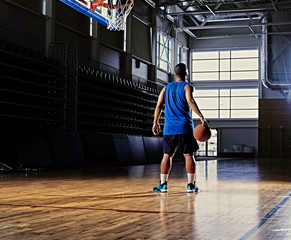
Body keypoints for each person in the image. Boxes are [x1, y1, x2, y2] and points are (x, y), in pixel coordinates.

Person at [152, 63, 205, 193]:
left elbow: (158, 105)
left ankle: (163, 184)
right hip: (185, 126)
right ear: (186, 73)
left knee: (167, 155)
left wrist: (155, 122)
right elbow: (190, 101)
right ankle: (190, 185)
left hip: (169, 128)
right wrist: (201, 116)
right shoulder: (187, 87)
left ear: (175, 74)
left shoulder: (166, 88)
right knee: (188, 155)